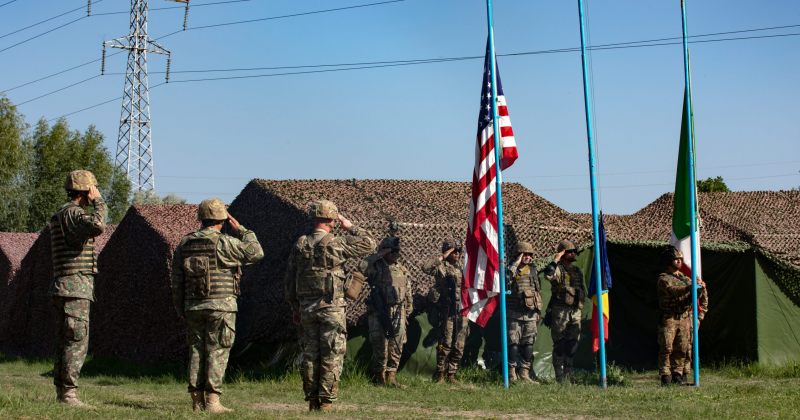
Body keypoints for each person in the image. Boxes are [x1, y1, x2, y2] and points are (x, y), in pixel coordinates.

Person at [171, 198, 264, 412]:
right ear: (222, 220)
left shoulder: (185, 243)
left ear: (201, 218)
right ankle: (213, 402)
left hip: (193, 306)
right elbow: (257, 252)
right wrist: (243, 230)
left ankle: (196, 402)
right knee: (218, 350)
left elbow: (176, 280)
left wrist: (181, 308)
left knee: (196, 351)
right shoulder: (225, 243)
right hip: (221, 306)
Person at [284, 199, 375, 411]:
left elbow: (290, 280)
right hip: (331, 308)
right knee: (331, 355)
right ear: (332, 220)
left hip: (306, 309)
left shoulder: (300, 244)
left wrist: (295, 308)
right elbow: (369, 243)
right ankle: (326, 402)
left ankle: (312, 400)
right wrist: (350, 226)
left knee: (310, 355)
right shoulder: (336, 243)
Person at [49, 170, 106, 407]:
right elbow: (98, 225)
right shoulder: (72, 213)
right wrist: (99, 202)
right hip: (74, 287)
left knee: (67, 341)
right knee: (76, 342)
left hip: (67, 286)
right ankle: (69, 395)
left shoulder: (64, 214)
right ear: (86, 191)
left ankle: (63, 393)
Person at [362, 236, 413, 388]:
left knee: (397, 344)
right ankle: (379, 377)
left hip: (398, 311)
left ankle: (391, 376)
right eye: (392, 251)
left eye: (397, 251)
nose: (395, 254)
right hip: (380, 311)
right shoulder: (375, 267)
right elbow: (362, 266)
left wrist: (408, 309)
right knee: (380, 344)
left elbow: (408, 291)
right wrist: (379, 255)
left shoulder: (402, 269)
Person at [656, 246, 705, 386]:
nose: (679, 261)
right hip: (669, 318)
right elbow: (674, 291)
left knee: (682, 348)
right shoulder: (663, 279)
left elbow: (693, 295)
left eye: (680, 259)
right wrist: (690, 287)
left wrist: (700, 289)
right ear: (669, 261)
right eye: (676, 259)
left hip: (684, 318)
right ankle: (665, 376)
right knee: (667, 348)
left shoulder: (685, 278)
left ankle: (678, 374)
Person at [423, 240, 468, 384]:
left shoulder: (463, 268)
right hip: (447, 311)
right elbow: (426, 267)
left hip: (461, 311)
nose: (457, 254)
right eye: (453, 252)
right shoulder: (441, 267)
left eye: (458, 252)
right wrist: (443, 256)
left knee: (459, 344)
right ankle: (441, 373)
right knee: (446, 343)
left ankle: (452, 374)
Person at [543, 239, 586, 383]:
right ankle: (560, 377)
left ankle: (569, 374)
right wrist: (556, 258)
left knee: (572, 345)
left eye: (574, 251)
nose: (573, 254)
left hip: (575, 311)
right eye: (569, 251)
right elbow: (548, 275)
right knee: (560, 345)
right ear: (563, 253)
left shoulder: (577, 271)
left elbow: (581, 290)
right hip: (560, 311)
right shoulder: (557, 269)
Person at [506, 241, 543, 384]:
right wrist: (515, 263)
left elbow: (537, 291)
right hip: (514, 313)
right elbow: (506, 280)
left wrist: (538, 311)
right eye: (524, 254)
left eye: (529, 254)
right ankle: (511, 374)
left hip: (530, 314)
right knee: (513, 343)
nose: (528, 257)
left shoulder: (533, 270)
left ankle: (524, 373)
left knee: (528, 344)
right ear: (518, 255)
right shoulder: (510, 269)